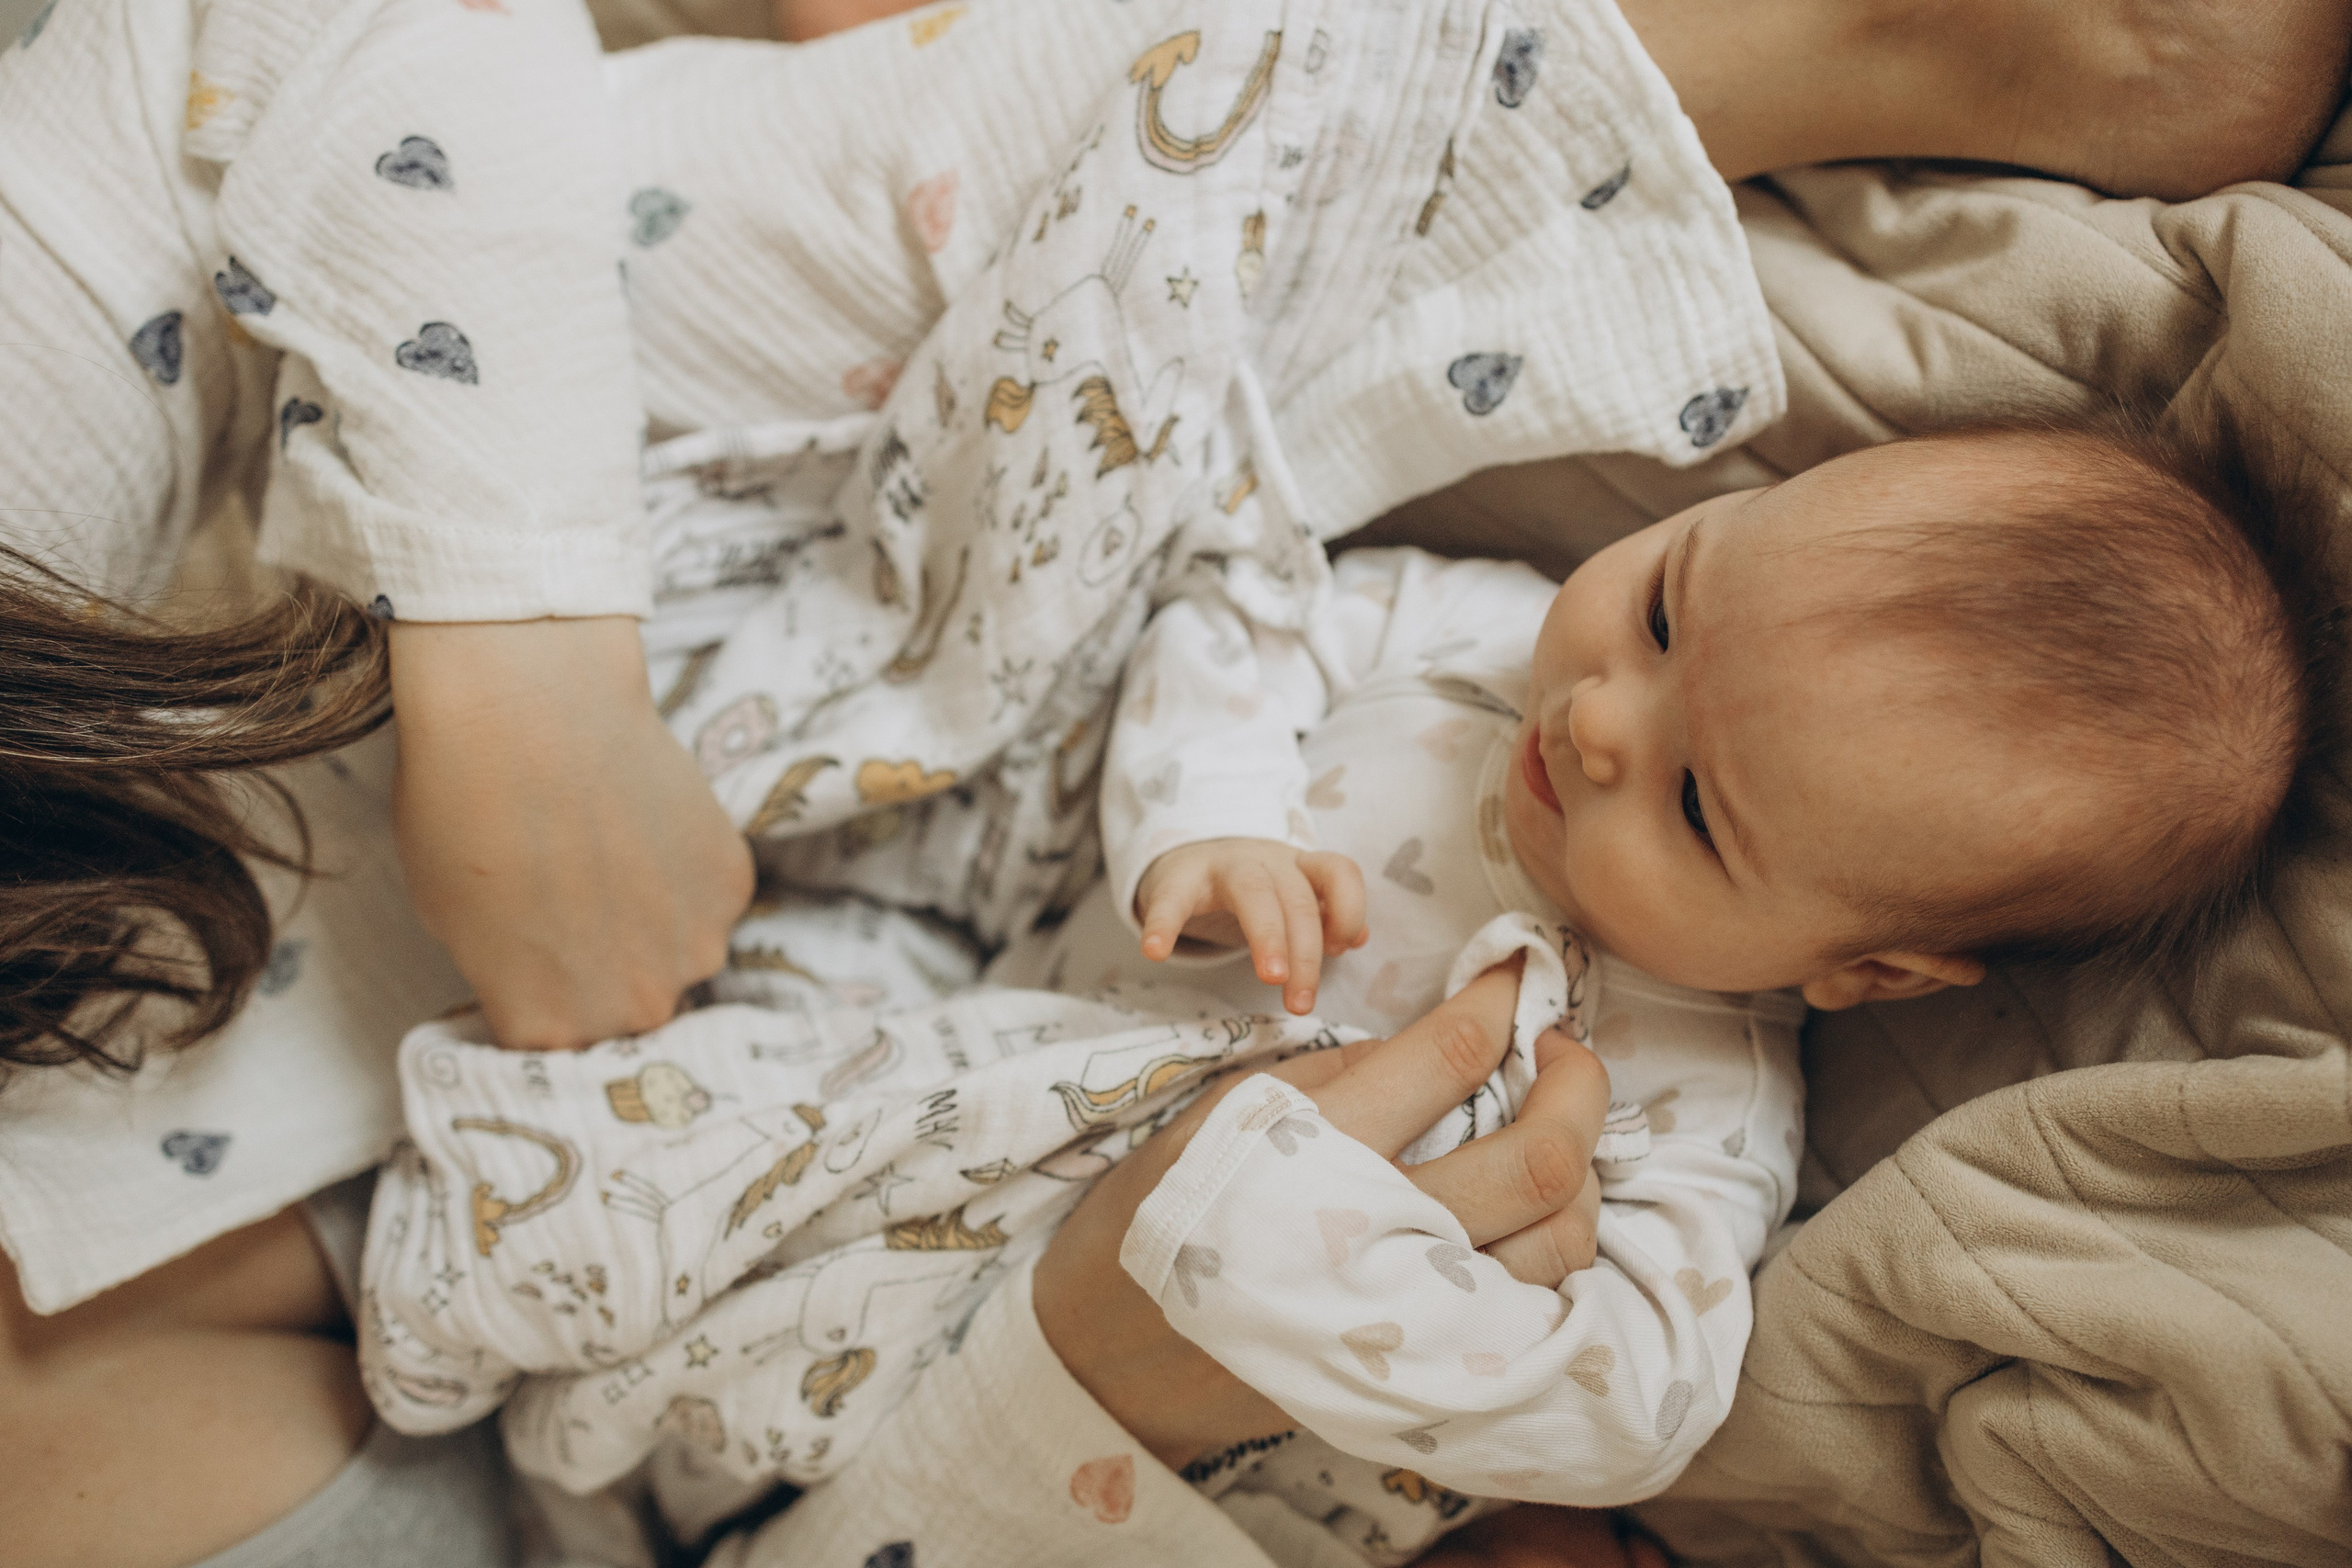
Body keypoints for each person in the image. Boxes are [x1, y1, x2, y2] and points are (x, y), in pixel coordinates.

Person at [2, 0, 2346, 1566]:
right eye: (1658, 599)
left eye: (1700, 812)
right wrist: (1197, 812)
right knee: (1113, 409)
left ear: (1873, 963)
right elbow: (1261, 596)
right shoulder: (1471, 662)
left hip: (965, 1243)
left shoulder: (1673, 1097)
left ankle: (1522, 73)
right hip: (928, 926)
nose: (1593, 722)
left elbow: (1634, 1384)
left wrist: (1319, 1304)